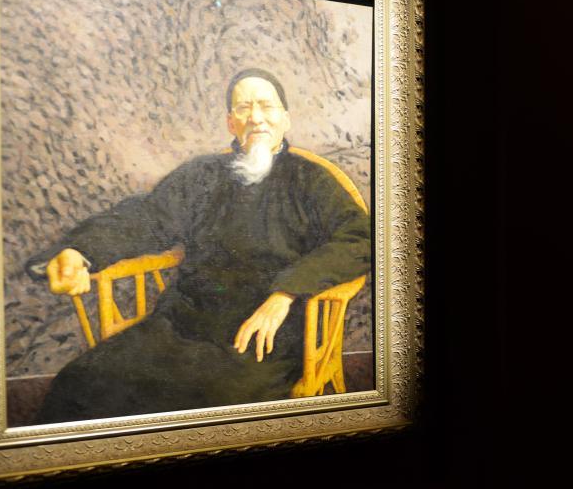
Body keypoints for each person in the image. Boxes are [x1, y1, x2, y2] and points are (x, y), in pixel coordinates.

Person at [29, 68, 371, 423]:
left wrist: (286, 292)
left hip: (265, 336)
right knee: (79, 383)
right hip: (182, 324)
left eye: (266, 106)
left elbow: (360, 238)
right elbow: (146, 217)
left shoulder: (311, 180)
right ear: (230, 122)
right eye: (244, 108)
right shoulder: (202, 175)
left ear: (285, 118)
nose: (255, 117)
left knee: (211, 404)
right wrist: (80, 252)